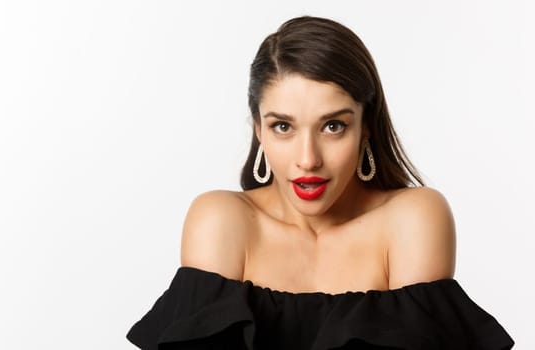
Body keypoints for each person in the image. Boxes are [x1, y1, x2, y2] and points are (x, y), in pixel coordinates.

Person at [126, 16, 514, 349]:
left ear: (365, 128)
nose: (308, 159)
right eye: (283, 126)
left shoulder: (412, 218)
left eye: (333, 126)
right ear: (259, 129)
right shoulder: (222, 220)